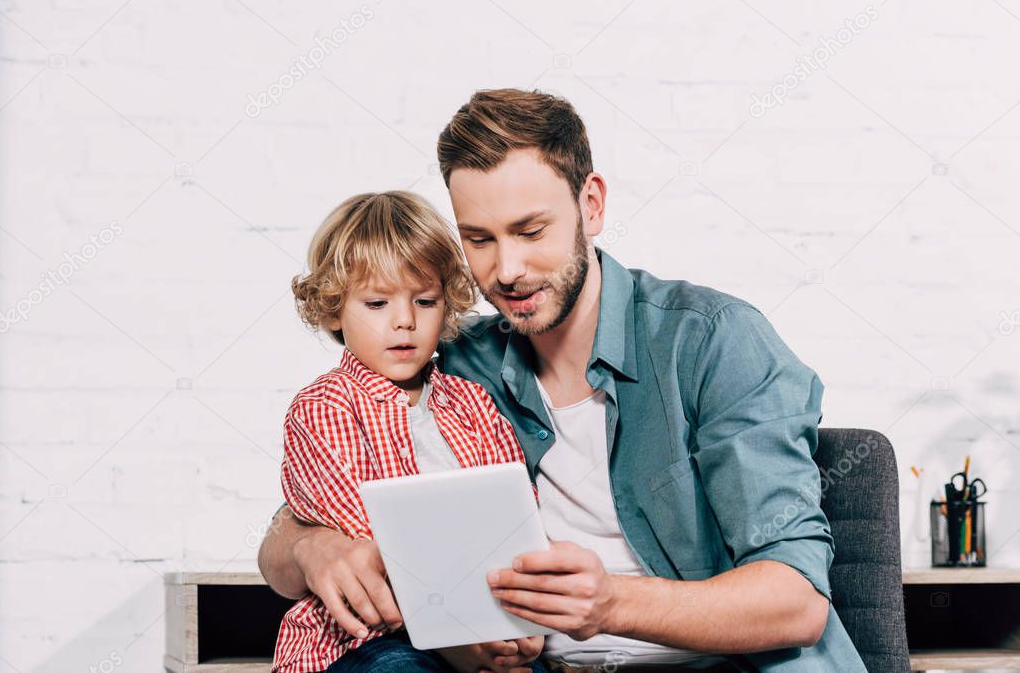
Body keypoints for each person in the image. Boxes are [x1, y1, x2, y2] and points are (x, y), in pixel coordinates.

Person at [260, 89, 867, 672]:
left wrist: (612, 605)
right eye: (479, 239)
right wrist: (311, 548)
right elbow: (306, 510)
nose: (509, 270)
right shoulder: (454, 366)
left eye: (530, 231)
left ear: (592, 205)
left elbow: (796, 600)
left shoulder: (713, 341)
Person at [272, 190, 547, 673]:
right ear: (336, 309)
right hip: (364, 639)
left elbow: (516, 523)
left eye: (424, 301)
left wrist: (523, 628)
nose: (404, 321)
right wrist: (458, 646)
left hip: (483, 627)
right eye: (377, 303)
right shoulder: (326, 407)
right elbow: (380, 549)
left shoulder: (474, 405)